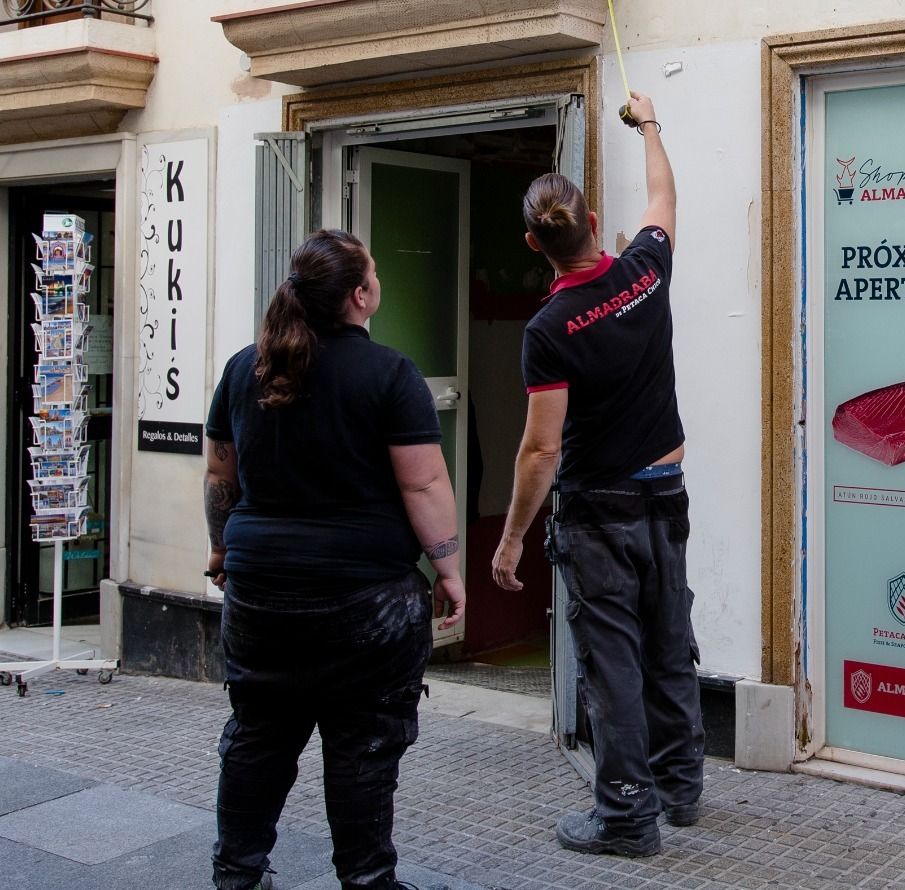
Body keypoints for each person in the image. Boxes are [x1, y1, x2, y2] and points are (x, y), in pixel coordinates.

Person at [203, 229, 466, 890]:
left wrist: (221, 548)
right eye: (372, 272)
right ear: (359, 295)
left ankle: (236, 874)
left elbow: (220, 476)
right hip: (366, 600)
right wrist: (449, 570)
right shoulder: (391, 374)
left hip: (259, 592)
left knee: (259, 735)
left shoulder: (244, 369)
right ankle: (367, 881)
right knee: (363, 746)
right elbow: (424, 486)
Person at [492, 92, 703, 858]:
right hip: (665, 496)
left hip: (598, 513)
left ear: (534, 243)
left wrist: (512, 537)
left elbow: (541, 450)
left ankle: (625, 816)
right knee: (669, 641)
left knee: (612, 663)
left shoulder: (548, 330)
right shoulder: (645, 270)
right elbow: (664, 196)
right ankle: (680, 788)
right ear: (589, 221)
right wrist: (649, 122)